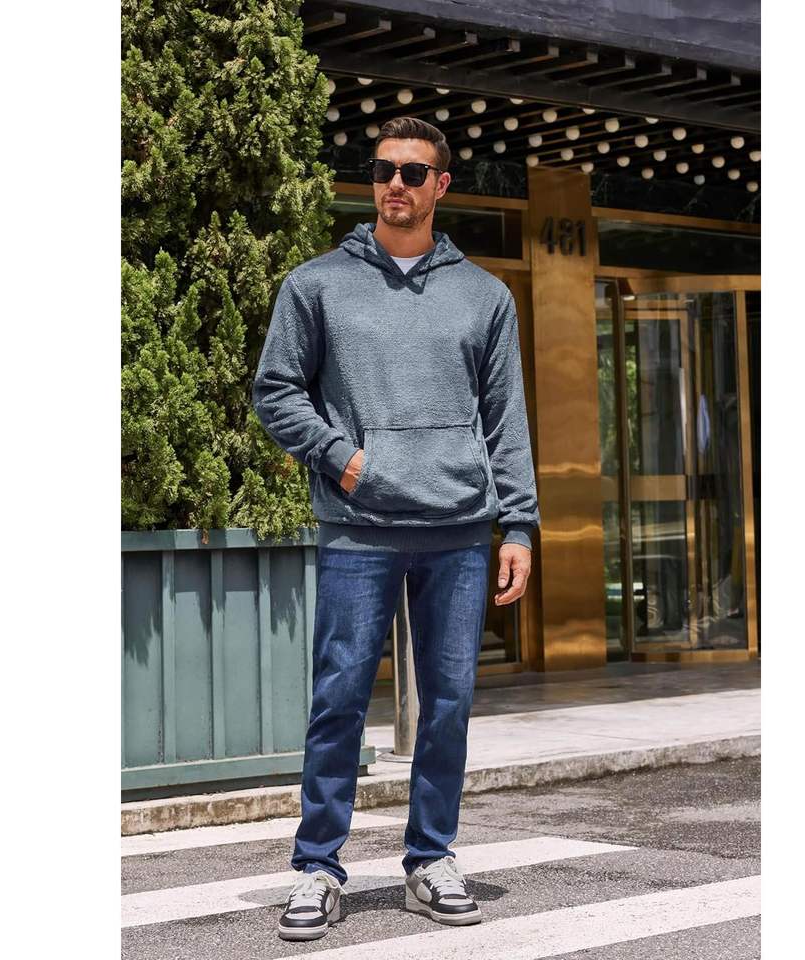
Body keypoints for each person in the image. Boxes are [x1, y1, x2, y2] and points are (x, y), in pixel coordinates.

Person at [252, 115, 541, 942]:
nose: (396, 185)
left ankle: (431, 859)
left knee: (448, 703)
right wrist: (342, 459)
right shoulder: (316, 285)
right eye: (383, 170)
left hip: (459, 527)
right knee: (339, 699)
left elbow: (506, 419)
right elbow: (277, 390)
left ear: (441, 185)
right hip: (359, 524)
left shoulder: (484, 296)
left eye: (413, 172)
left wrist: (518, 525)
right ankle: (318, 867)